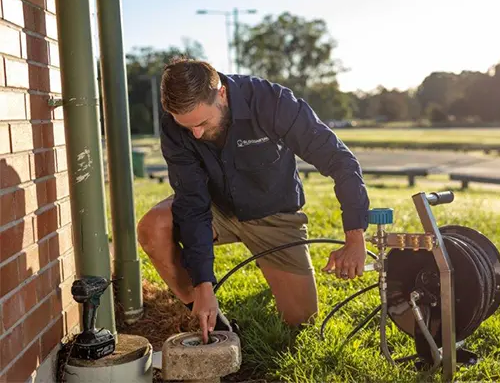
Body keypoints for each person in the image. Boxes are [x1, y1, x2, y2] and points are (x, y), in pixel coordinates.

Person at [136, 58, 370, 343]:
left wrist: (355, 238)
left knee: (301, 322)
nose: (195, 134)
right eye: (187, 127)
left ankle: (269, 262)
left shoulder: (272, 102)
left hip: (272, 215)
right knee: (153, 226)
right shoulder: (175, 127)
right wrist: (203, 286)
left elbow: (342, 162)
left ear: (221, 93)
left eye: (201, 123)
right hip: (216, 209)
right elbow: (192, 203)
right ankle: (214, 320)